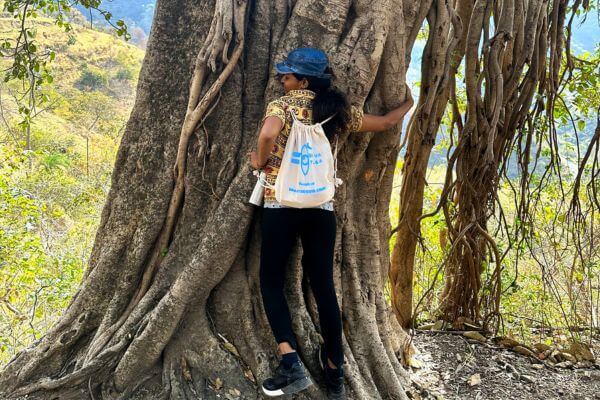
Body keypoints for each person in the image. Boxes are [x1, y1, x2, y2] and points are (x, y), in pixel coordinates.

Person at [248, 47, 414, 399]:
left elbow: (266, 136)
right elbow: (383, 123)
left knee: (271, 281)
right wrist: (408, 103)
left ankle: (290, 361)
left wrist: (258, 161)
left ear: (303, 81)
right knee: (323, 286)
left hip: (280, 204)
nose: (282, 79)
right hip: (321, 207)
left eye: (288, 75)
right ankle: (336, 373)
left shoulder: (282, 105)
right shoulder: (337, 112)